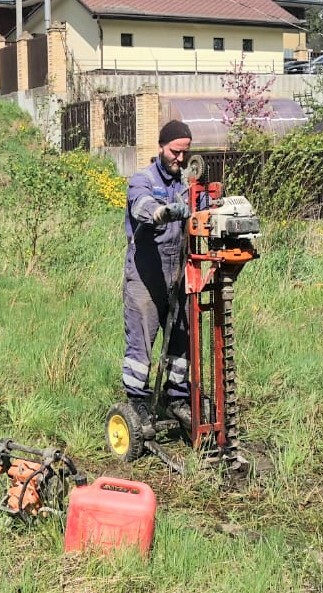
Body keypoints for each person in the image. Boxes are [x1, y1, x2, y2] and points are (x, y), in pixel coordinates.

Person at [121, 120, 199, 431]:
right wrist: (161, 212)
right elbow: (141, 205)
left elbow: (203, 208)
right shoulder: (142, 179)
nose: (180, 159)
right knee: (142, 341)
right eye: (175, 152)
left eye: (185, 153)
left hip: (179, 274)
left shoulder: (187, 183)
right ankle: (137, 402)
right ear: (160, 148)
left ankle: (177, 397)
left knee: (182, 338)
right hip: (146, 275)